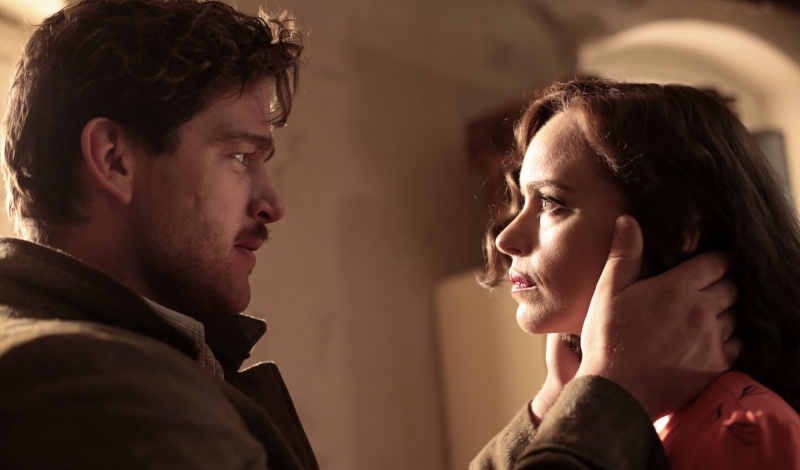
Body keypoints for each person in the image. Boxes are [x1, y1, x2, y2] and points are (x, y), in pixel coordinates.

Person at [0, 1, 737, 468]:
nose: (272, 203)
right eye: (239, 156)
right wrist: (612, 399)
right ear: (114, 159)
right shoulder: (88, 382)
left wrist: (555, 408)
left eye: (551, 202)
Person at [474, 78, 800, 469]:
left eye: (550, 202)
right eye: (521, 201)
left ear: (676, 229)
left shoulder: (743, 433)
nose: (506, 239)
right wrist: (560, 400)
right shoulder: (655, 414)